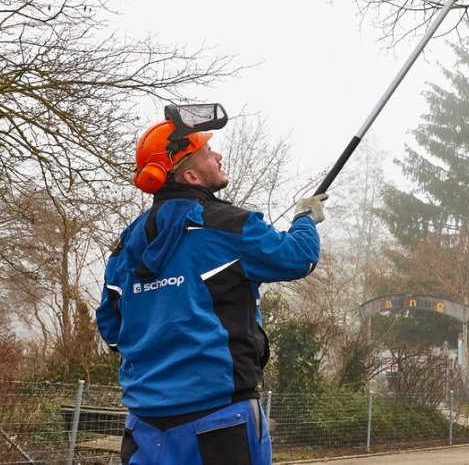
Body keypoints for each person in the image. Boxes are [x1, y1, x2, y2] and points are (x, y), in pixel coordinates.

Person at [96, 113, 327, 465]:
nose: (217, 157)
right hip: (221, 422)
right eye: (208, 152)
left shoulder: (125, 247)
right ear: (190, 175)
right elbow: (299, 257)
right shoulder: (228, 226)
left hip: (143, 427)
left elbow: (112, 331)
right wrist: (305, 218)